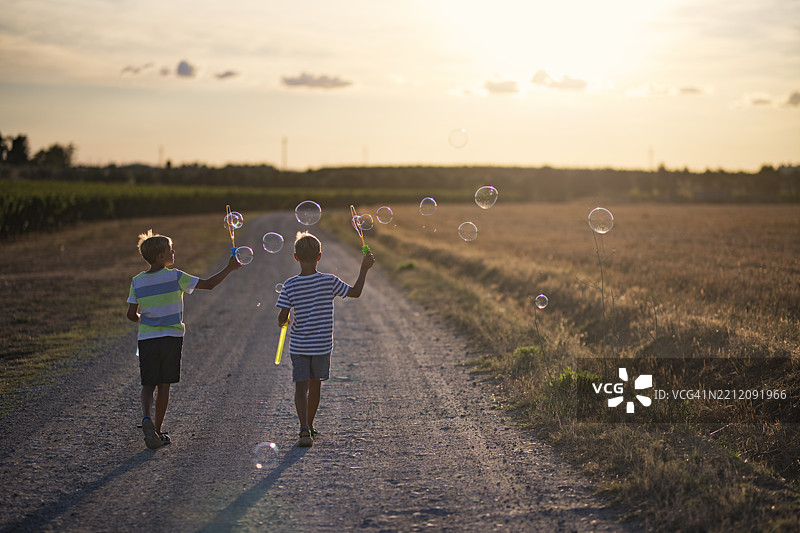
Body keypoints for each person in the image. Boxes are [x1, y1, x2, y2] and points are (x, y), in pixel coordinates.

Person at [126, 229, 242, 449]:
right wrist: (230, 267)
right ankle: (157, 432)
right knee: (164, 384)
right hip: (171, 338)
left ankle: (146, 418)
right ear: (161, 257)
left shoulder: (137, 281)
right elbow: (208, 284)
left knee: (148, 383)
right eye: (170, 250)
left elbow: (131, 315)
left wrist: (145, 318)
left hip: (147, 339)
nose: (173, 252)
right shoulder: (176, 276)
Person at [276, 231, 375, 447]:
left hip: (299, 345)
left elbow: (282, 317)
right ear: (320, 256)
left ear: (295, 257)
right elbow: (355, 292)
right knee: (316, 385)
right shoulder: (330, 281)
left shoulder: (290, 285)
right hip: (322, 347)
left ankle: (304, 428)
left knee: (300, 387)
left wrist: (284, 321)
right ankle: (309, 426)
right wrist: (363, 269)